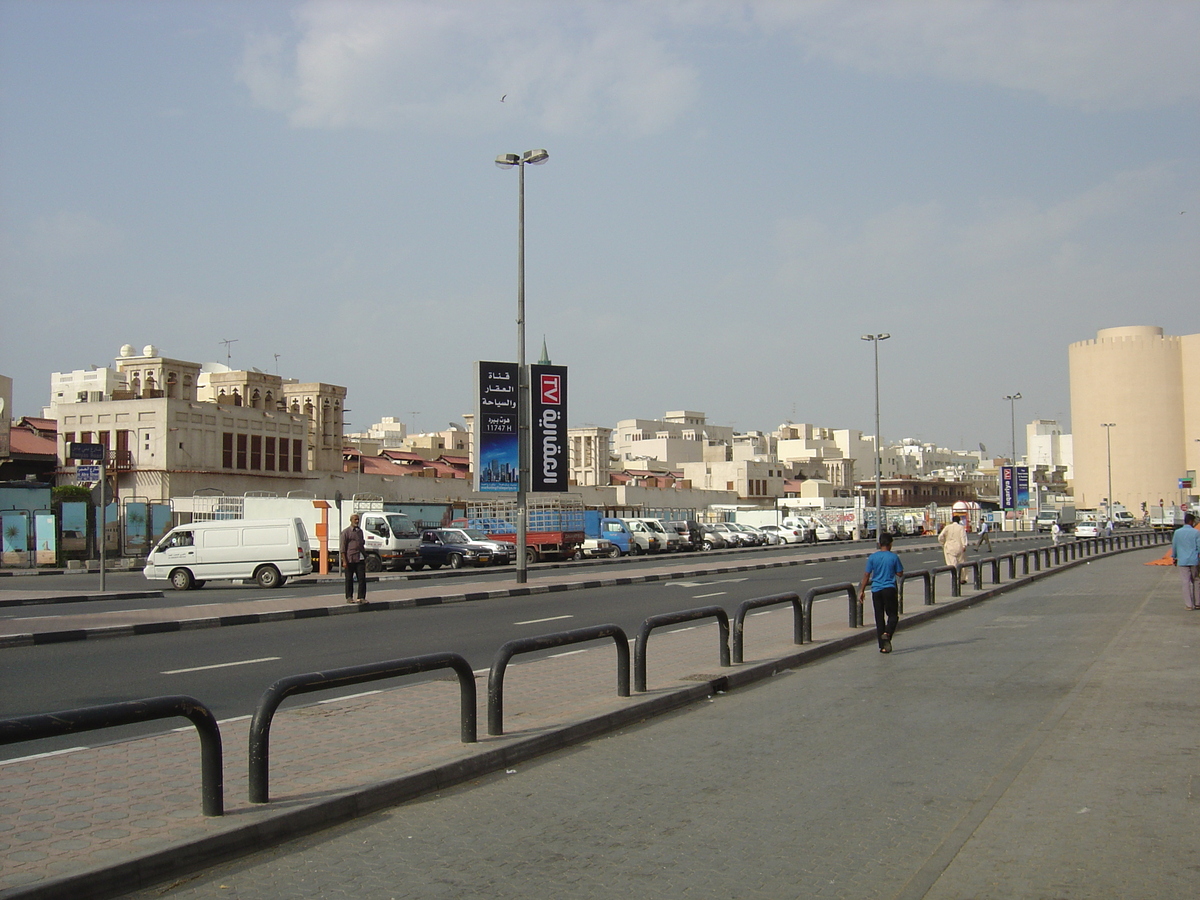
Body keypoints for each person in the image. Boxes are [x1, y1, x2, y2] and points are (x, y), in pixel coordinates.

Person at [858, 532, 904, 653]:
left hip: (876, 590)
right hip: (889, 589)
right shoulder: (893, 557)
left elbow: (867, 574)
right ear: (890, 544)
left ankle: (882, 646)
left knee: (879, 618)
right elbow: (900, 573)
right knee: (893, 615)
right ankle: (887, 634)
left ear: (879, 544)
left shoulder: (873, 557)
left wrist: (861, 591)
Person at [1170, 513, 1200, 610]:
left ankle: (1189, 605)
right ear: (1191, 521)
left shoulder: (1177, 532)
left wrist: (1174, 557)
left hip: (1182, 561)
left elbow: (1174, 546)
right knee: (1196, 580)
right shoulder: (1196, 532)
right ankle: (1198, 603)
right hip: (1194, 560)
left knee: (1185, 582)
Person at [340, 513, 368, 603]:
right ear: (351, 520)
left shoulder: (360, 532)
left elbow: (361, 544)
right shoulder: (346, 532)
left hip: (359, 558)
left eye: (358, 519)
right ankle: (349, 597)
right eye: (355, 519)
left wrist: (365, 556)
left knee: (362, 578)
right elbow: (342, 548)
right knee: (349, 579)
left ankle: (361, 597)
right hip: (350, 558)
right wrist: (344, 561)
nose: (357, 521)